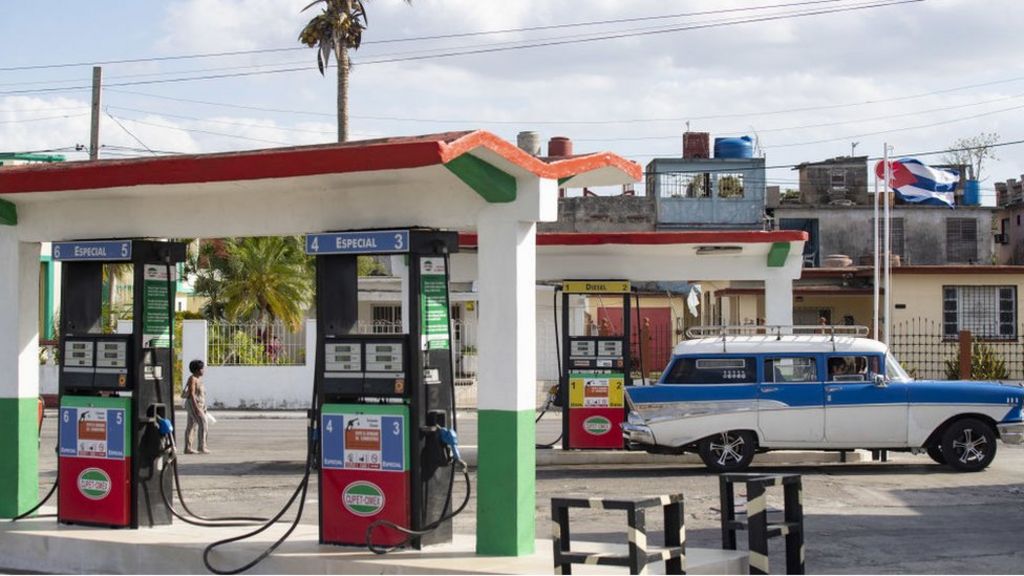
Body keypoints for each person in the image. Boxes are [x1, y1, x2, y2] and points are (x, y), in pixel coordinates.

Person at [182, 359, 210, 454]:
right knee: (203, 423)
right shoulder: (192, 379)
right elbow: (192, 394)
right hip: (193, 405)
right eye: (202, 368)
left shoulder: (198, 379)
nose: (203, 370)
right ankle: (202, 447)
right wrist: (196, 408)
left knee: (191, 426)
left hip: (199, 405)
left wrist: (203, 407)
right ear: (197, 370)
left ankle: (188, 448)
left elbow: (201, 395)